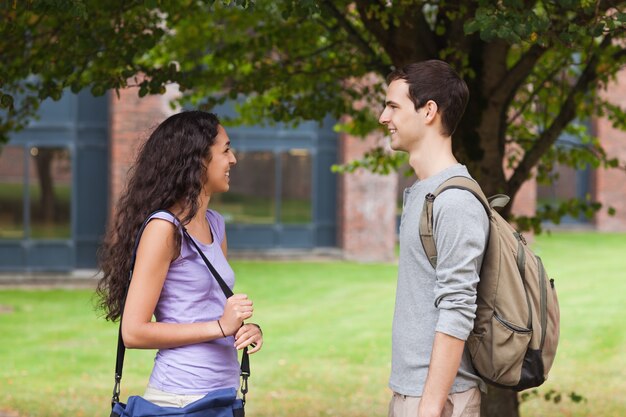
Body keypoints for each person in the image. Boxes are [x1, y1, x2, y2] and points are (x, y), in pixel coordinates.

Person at [96, 110, 263, 407]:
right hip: (179, 399)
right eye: (225, 150)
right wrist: (221, 327)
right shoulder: (163, 228)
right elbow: (133, 331)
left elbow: (208, 309)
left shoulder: (215, 224)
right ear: (198, 159)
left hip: (222, 395)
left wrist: (243, 329)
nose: (233, 159)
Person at [379, 60, 489, 417]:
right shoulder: (423, 193)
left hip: (439, 402)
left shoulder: (454, 200)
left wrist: (429, 407)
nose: (383, 117)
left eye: (393, 106)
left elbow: (458, 308)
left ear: (428, 111)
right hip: (415, 395)